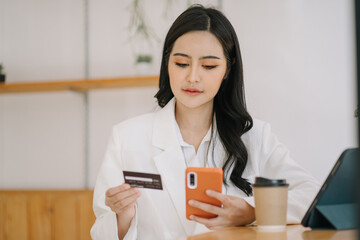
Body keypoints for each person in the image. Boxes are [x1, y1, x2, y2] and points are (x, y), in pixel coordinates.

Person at [91, 5, 319, 240]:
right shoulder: (127, 137)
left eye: (209, 66)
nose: (193, 77)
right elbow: (100, 232)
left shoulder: (255, 136)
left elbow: (312, 195)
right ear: (167, 63)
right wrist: (122, 216)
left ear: (228, 69)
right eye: (181, 63)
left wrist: (252, 211)